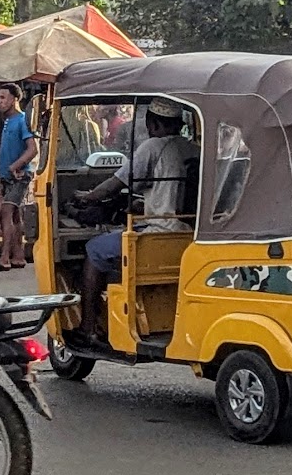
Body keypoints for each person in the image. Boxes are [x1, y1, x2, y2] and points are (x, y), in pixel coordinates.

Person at [74, 99, 199, 339]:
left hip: (159, 234)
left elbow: (115, 184)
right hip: (188, 235)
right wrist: (145, 203)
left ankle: (87, 327)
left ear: (152, 123)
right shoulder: (193, 148)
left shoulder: (152, 146)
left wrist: (87, 197)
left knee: (94, 249)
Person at [0, 84, 38, 271]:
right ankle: (18, 256)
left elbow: (32, 149)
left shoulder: (21, 121)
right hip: (7, 176)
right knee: (15, 217)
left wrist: (15, 166)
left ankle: (4, 258)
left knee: (6, 212)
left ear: (14, 99)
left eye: (3, 98)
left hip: (19, 175)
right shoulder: (7, 121)